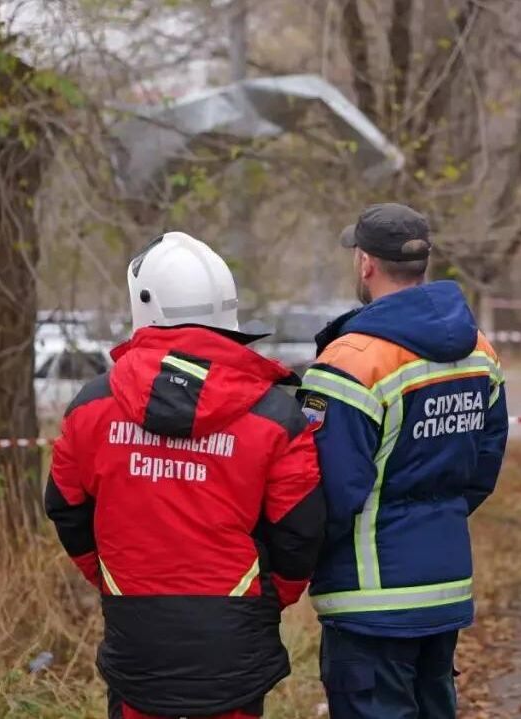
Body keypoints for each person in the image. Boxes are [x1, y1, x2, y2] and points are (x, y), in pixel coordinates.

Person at [45, 232, 326, 719]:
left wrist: (113, 579)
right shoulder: (276, 417)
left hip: (137, 638)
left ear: (145, 304)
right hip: (233, 642)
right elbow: (300, 533)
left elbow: (66, 509)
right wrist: (263, 598)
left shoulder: (91, 407)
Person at [301, 203, 509, 719]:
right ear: (423, 262)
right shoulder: (479, 350)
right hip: (444, 585)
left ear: (365, 263)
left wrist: (291, 562)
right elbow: (484, 464)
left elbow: (329, 493)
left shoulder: (350, 363)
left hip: (369, 597)